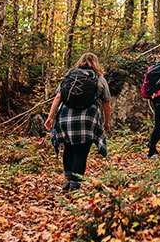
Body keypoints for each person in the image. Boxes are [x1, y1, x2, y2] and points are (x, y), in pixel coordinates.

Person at [44, 53, 111, 191]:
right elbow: (107, 104)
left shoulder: (71, 75)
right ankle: (74, 186)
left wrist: (50, 117)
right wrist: (106, 122)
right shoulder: (100, 79)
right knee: (81, 152)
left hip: (65, 116)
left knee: (68, 148)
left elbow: (58, 97)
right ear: (96, 63)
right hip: (87, 118)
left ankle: (67, 178)